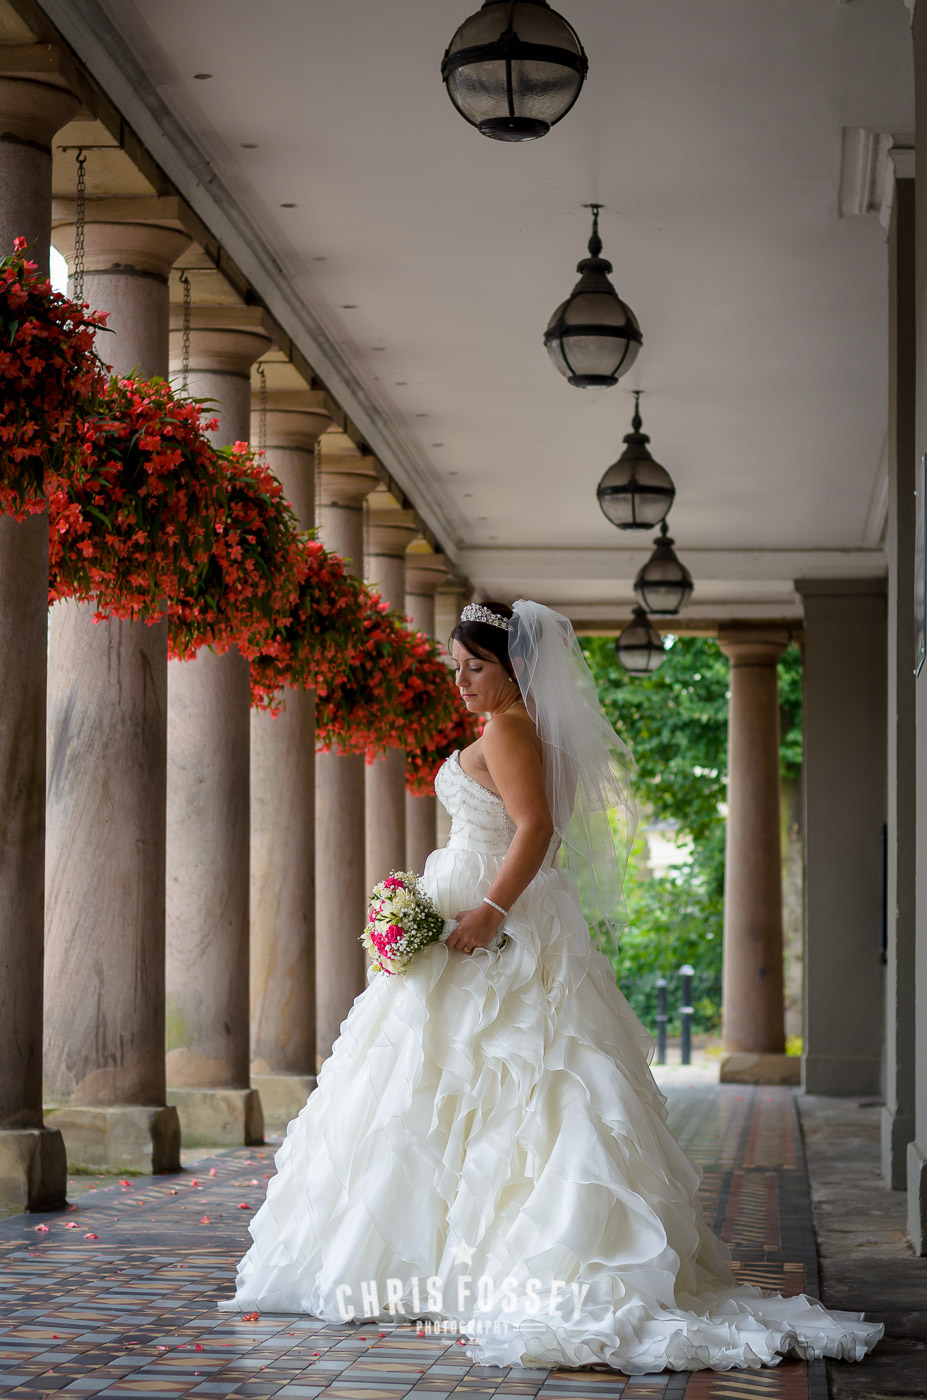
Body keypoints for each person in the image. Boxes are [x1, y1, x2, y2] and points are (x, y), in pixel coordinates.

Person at [220, 598, 882, 1374]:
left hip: (495, 916)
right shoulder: (516, 728)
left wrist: (489, 911)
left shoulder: (509, 730)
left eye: (475, 667)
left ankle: (487, 1258)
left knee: (505, 1081)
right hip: (484, 905)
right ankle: (450, 1255)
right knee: (463, 1084)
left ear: (514, 667)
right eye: (455, 667)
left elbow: (534, 828)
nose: (460, 682)